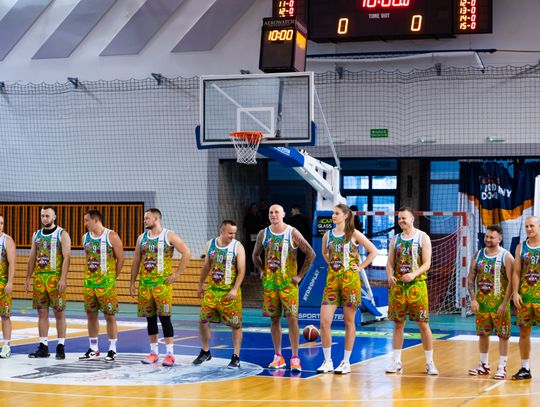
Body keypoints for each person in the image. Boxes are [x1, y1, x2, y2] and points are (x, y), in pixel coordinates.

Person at [252, 204, 316, 372]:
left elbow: (311, 253)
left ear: (283, 214)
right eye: (271, 212)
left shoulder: (292, 232)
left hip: (288, 284)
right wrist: (261, 270)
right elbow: (255, 255)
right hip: (271, 285)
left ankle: (295, 357)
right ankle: (278, 356)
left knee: (292, 318)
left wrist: (300, 275)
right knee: (274, 319)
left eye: (276, 212)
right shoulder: (263, 234)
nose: (273, 215)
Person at [317, 204, 378, 375]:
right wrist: (332, 264)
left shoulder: (354, 234)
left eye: (336, 213)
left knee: (349, 322)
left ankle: (346, 361)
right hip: (332, 282)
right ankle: (327, 361)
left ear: (345, 216)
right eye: (332, 213)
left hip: (350, 282)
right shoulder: (327, 235)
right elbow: (324, 253)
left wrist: (360, 267)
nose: (333, 216)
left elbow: (373, 251)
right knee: (324, 322)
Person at [130, 208, 190, 367]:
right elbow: (136, 261)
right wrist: (132, 283)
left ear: (156, 219)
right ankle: (153, 352)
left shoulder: (169, 236)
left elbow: (186, 252)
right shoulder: (141, 238)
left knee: (165, 319)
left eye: (147, 218)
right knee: (150, 319)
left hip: (162, 286)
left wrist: (177, 274)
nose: (144, 220)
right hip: (145, 285)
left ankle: (170, 354)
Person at [385, 207, 439, 375]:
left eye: (404, 218)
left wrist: (414, 274)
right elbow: (390, 262)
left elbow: (427, 263)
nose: (401, 221)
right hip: (398, 288)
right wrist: (389, 275)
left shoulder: (422, 237)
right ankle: (396, 362)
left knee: (423, 324)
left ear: (412, 219)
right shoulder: (395, 239)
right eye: (399, 218)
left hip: (417, 285)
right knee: (398, 324)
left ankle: (430, 363)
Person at [193, 220, 246, 368]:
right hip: (212, 291)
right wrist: (200, 285)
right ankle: (205, 351)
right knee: (203, 321)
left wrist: (235, 289)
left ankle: (236, 356)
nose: (232, 236)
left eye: (234, 233)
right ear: (221, 231)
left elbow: (242, 271)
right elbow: (206, 266)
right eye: (230, 233)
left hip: (229, 293)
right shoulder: (210, 244)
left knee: (236, 325)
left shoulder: (237, 247)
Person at [467, 225, 514, 380]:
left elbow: (512, 282)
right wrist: (473, 299)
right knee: (483, 334)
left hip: (500, 304)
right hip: (482, 303)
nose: (488, 239)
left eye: (491, 237)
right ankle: (484, 365)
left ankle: (502, 367)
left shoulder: (506, 256)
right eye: (487, 236)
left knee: (503, 335)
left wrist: (505, 303)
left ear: (499, 239)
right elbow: (470, 278)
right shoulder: (478, 254)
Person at [25, 206, 71, 359]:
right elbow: (32, 258)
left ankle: (61, 346)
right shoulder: (36, 234)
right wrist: (28, 278)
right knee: (42, 313)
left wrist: (63, 278)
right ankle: (43, 346)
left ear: (54, 217)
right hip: (40, 279)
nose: (44, 218)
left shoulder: (62, 234)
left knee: (59, 313)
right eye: (42, 215)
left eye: (47, 216)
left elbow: (67, 257)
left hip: (55, 278)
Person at [79, 210, 125, 362]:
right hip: (89, 284)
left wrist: (112, 277)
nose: (85, 223)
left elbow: (121, 259)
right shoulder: (85, 238)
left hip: (106, 284)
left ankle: (112, 349)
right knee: (91, 316)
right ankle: (93, 348)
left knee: (109, 316)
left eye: (87, 220)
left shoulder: (111, 236)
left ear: (95, 220)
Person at [511, 215, 540, 380]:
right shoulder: (521, 247)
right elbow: (516, 272)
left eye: (532, 226)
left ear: (539, 227)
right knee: (523, 333)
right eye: (527, 226)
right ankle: (525, 368)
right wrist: (515, 292)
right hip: (525, 298)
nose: (529, 229)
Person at [0, 216, 16, 358]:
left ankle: (6, 346)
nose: (0, 225)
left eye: (2, 223)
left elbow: (12, 263)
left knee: (5, 315)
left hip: (2, 283)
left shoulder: (7, 240)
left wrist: (10, 282)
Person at [288, 204, 312, 272]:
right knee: (301, 263)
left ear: (296, 209)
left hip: (293, 246)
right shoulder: (305, 220)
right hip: (303, 246)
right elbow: (308, 234)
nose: (291, 212)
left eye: (292, 210)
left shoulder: (290, 220)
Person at [244, 203, 262, 275]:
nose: (255, 209)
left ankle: (258, 269)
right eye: (253, 208)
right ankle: (252, 270)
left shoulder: (258, 216)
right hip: (250, 239)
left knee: (258, 253)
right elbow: (247, 226)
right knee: (251, 253)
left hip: (257, 238)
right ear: (251, 209)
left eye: (255, 208)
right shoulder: (248, 217)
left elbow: (260, 225)